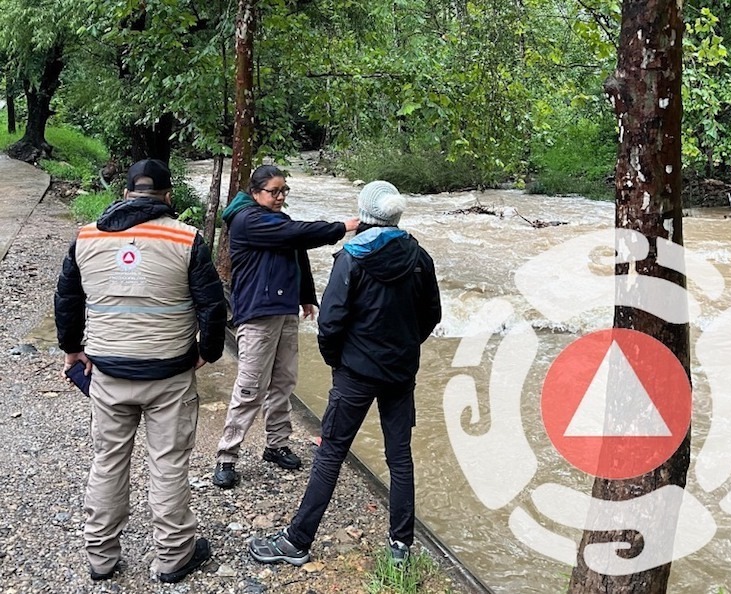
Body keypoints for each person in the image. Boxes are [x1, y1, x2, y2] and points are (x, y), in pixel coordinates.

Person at [248, 180, 441, 567]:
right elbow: (431, 316)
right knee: (399, 457)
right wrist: (405, 347)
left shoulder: (351, 258)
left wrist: (337, 361)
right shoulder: (420, 257)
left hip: (355, 371)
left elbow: (331, 322)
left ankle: (297, 542)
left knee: (331, 452)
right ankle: (400, 547)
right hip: (400, 372)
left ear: (365, 213)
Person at [54, 158, 227, 583]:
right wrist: (208, 351)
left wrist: (72, 350)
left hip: (108, 374)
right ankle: (172, 558)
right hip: (169, 375)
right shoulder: (188, 239)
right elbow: (212, 305)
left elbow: (67, 299)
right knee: (168, 464)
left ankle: (100, 557)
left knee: (108, 460)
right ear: (168, 196)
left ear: (127, 193)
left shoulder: (86, 237)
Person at [212, 165, 359, 488]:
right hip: (257, 313)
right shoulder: (248, 220)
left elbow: (297, 251)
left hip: (284, 309)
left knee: (284, 381)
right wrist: (341, 227)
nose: (280, 197)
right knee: (250, 387)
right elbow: (296, 235)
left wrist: (306, 296)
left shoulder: (276, 219)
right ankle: (226, 455)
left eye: (283, 191)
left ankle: (276, 444)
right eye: (274, 191)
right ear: (255, 192)